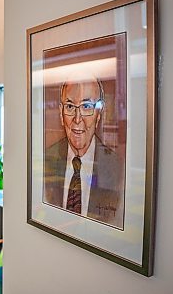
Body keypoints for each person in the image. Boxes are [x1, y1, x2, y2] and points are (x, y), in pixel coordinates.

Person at [43, 78, 125, 228]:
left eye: (86, 106)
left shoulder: (117, 166)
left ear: (98, 113)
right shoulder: (47, 158)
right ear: (61, 113)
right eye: (70, 106)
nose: (77, 119)